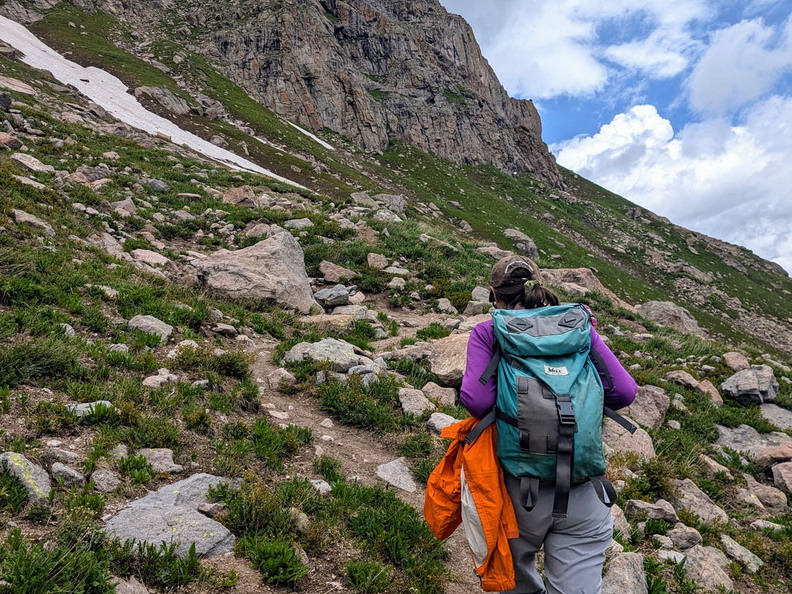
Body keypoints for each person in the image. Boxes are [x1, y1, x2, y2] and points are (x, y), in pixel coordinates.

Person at [460, 255, 637, 594]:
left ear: (494, 295)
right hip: (583, 488)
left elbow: (477, 401)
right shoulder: (578, 327)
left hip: (519, 491)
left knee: (514, 581)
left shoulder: (490, 330)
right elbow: (625, 392)